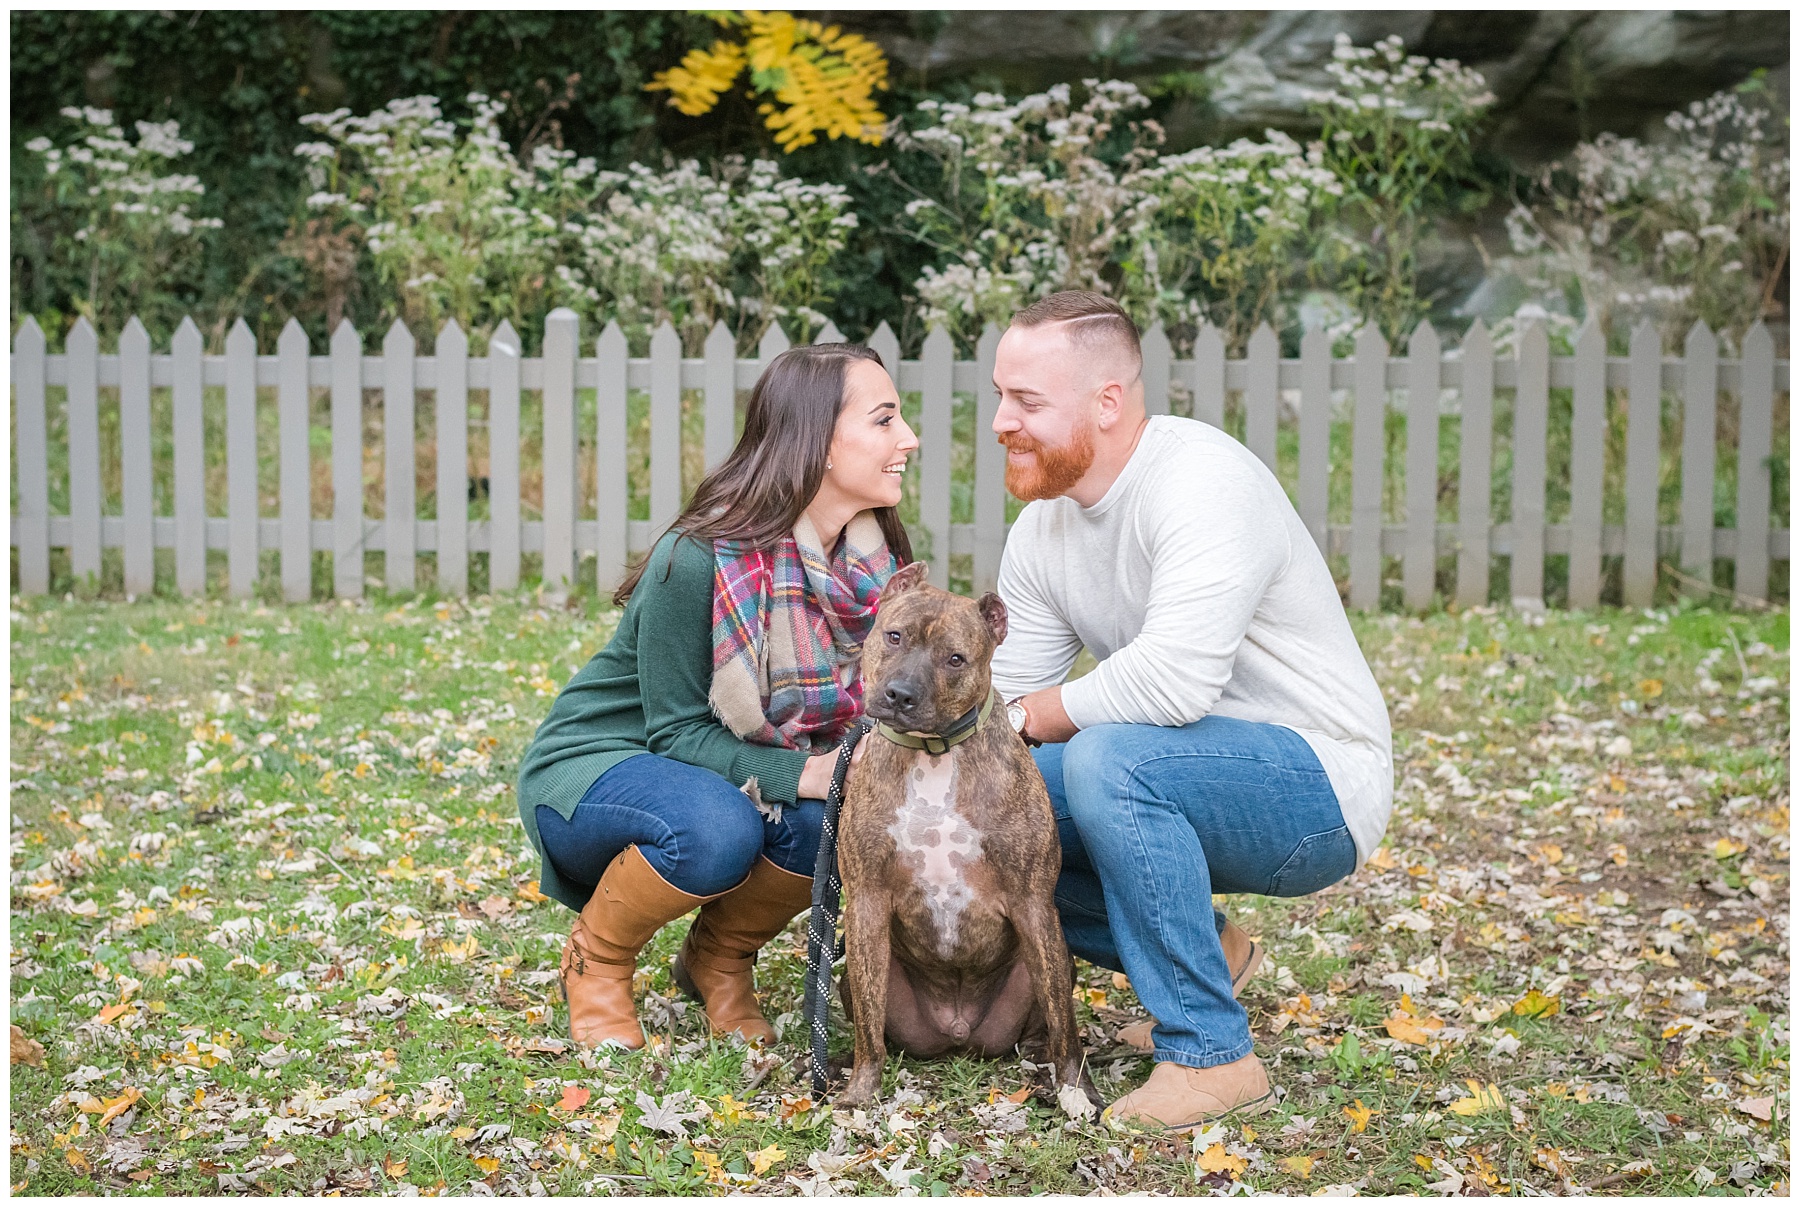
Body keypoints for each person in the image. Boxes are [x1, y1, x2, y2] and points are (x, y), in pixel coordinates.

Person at [988, 291, 1393, 1131]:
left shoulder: (1202, 479)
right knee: (986, 805)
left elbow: (1173, 684)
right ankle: (1213, 952)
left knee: (1108, 760)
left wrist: (1030, 721)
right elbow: (1002, 708)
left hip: (1317, 785)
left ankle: (1213, 1056)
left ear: (1108, 401)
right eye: (999, 395)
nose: (1000, 421)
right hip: (1180, 769)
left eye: (1027, 401)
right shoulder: (1042, 530)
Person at [517, 342, 917, 1050]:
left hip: (722, 771)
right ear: (819, 441)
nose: (907, 439)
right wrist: (811, 770)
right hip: (599, 768)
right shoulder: (698, 557)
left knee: (830, 813)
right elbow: (672, 733)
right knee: (718, 828)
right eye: (884, 420)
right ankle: (598, 961)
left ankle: (717, 959)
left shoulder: (872, 562)